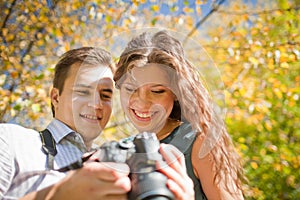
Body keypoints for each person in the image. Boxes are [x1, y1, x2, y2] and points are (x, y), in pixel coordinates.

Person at [0, 47, 194, 200]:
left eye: (105, 95)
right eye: (83, 91)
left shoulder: (119, 165)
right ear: (55, 97)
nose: (96, 104)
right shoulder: (11, 141)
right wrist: (54, 195)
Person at [114, 30, 246, 199]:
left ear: (175, 92)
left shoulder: (199, 142)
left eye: (157, 91)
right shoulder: (123, 149)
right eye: (131, 89)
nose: (142, 102)